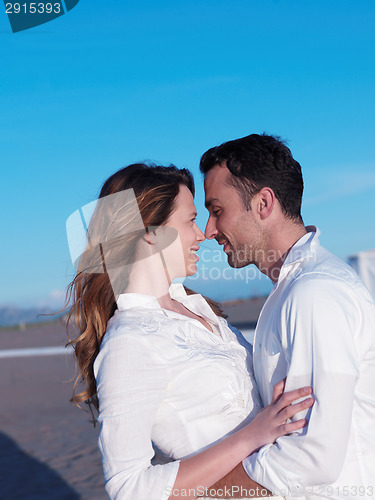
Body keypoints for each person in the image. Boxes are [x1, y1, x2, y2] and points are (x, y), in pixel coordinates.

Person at [65, 163, 314, 500]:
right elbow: (129, 488)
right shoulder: (130, 341)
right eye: (189, 221)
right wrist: (253, 435)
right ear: (149, 234)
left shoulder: (199, 308)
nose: (202, 234)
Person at [200, 134, 375, 499]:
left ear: (263, 203)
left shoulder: (315, 292)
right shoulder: (295, 289)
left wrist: (200, 491)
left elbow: (315, 458)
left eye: (217, 210)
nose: (209, 231)